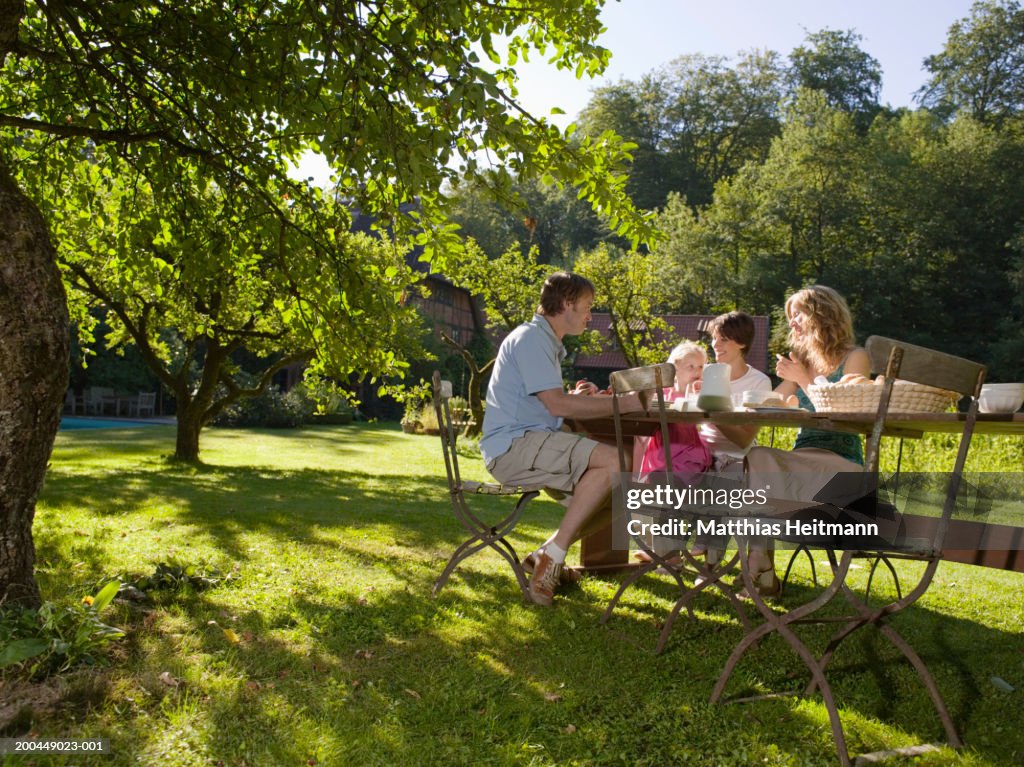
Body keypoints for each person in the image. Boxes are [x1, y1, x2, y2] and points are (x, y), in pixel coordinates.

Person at [480, 271, 643, 606]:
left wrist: (582, 396)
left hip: (531, 443)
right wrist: (625, 403)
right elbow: (556, 404)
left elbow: (549, 401)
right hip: (515, 448)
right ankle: (552, 558)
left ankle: (546, 553)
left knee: (623, 487)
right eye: (587, 306)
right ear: (567, 304)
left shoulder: (546, 342)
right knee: (619, 461)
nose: (590, 315)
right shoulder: (531, 339)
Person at [742, 285, 870, 597]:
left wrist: (802, 380)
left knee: (753, 484)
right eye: (791, 317)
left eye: (797, 314)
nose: (792, 323)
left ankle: (761, 567)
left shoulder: (855, 357)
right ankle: (762, 562)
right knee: (756, 457)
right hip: (803, 459)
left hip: (842, 467)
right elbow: (773, 402)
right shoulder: (803, 362)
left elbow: (843, 413)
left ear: (822, 313)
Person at [636, 340, 712, 481]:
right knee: (657, 474)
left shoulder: (700, 395)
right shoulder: (663, 393)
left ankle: (675, 488)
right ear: (675, 368)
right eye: (691, 367)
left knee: (685, 471)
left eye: (701, 366)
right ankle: (659, 486)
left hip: (689, 449)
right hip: (662, 450)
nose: (697, 371)